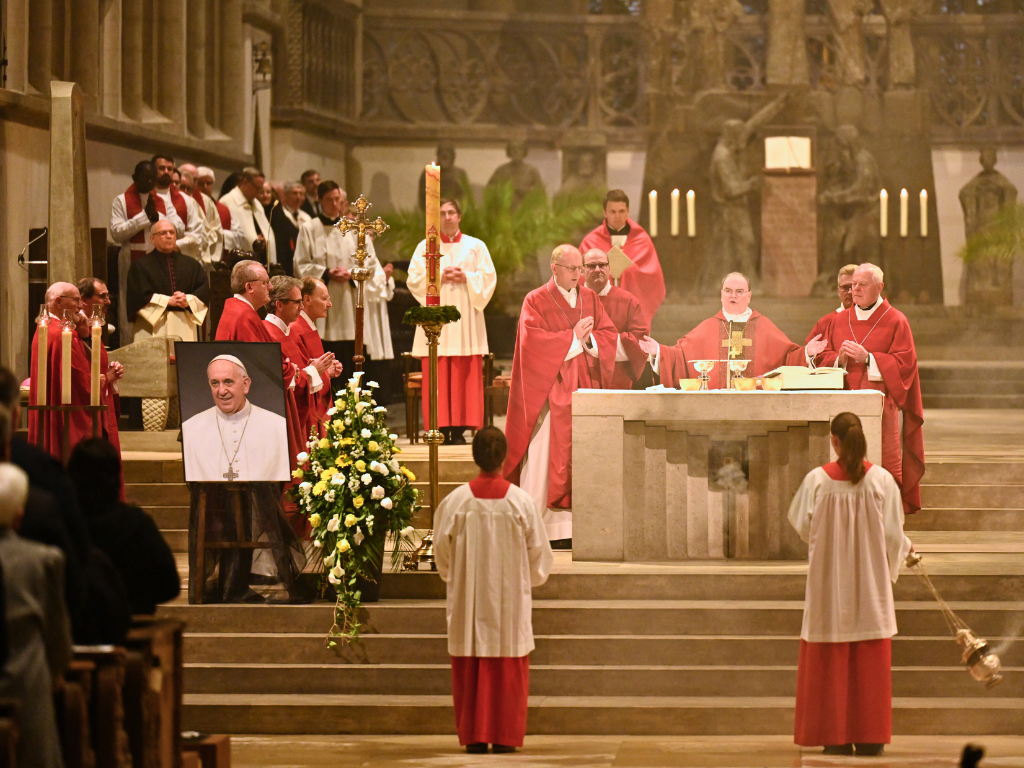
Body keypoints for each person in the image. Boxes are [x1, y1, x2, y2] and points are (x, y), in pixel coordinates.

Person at [788, 412, 913, 756]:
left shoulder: (817, 480)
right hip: (869, 584)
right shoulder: (883, 481)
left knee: (831, 660)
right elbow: (892, 535)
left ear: (834, 441)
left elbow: (800, 523)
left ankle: (836, 736)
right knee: (869, 664)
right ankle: (871, 737)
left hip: (830, 585)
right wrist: (903, 550)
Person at [435, 427, 553, 754]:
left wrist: (457, 579)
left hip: (468, 603)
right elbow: (540, 558)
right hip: (509, 603)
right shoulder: (521, 503)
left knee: (470, 668)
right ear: (503, 457)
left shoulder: (455, 502)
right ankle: (504, 736)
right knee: (507, 669)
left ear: (475, 457)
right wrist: (522, 582)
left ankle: (473, 736)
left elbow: (441, 556)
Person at [503, 245, 618, 547]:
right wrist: (572, 338)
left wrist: (589, 339)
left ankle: (580, 526)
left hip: (585, 388)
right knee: (545, 457)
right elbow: (532, 343)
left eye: (580, 269)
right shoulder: (536, 300)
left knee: (583, 454)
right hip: (549, 393)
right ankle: (545, 528)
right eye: (572, 269)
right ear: (554, 268)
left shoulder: (591, 298)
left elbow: (607, 334)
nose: (579, 275)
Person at [811, 263, 925, 514]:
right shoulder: (839, 319)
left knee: (881, 463)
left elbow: (905, 365)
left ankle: (882, 519)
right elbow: (822, 357)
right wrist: (839, 359)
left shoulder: (896, 320)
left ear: (879, 287)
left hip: (882, 408)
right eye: (853, 285)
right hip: (842, 406)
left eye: (862, 285)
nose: (855, 290)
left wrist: (869, 358)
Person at [0, 463, 73, 768]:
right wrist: (56, 671)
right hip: (25, 684)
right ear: (19, 514)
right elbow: (57, 636)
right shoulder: (42, 560)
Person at [639, 273, 827, 390]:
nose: (733, 296)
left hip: (757, 408)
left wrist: (806, 353)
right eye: (728, 291)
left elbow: (788, 358)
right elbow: (679, 356)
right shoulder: (708, 326)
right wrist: (658, 351)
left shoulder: (764, 326)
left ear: (749, 296)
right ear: (721, 295)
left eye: (739, 291)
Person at [407, 198, 496, 444]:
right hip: (437, 322)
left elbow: (488, 278)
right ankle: (439, 428)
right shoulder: (425, 247)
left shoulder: (475, 246)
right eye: (442, 213)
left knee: (464, 374)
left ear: (459, 216)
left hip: (465, 320)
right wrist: (436, 275)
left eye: (451, 212)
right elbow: (413, 280)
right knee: (439, 371)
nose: (447, 217)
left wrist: (466, 277)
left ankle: (459, 431)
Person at [293, 181, 390, 387]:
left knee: (350, 351)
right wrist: (326, 273)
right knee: (325, 347)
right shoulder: (309, 228)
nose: (335, 204)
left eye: (338, 199)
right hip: (322, 300)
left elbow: (370, 262)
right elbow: (300, 263)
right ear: (319, 201)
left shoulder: (354, 228)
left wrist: (353, 273)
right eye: (329, 199)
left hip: (348, 299)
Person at [67, 438, 180, 615]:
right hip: (131, 626)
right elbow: (169, 585)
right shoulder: (135, 523)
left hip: (74, 631)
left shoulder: (62, 522)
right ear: (116, 476)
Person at [110, 160, 187, 344]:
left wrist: (157, 217)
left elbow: (180, 228)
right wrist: (145, 217)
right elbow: (116, 233)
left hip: (157, 261)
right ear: (135, 178)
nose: (149, 181)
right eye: (145, 177)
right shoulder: (121, 200)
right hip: (131, 260)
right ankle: (129, 348)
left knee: (158, 304)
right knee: (131, 308)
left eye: (153, 178)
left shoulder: (163, 202)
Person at [264, 276, 338, 451]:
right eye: (297, 302)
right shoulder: (271, 334)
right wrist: (316, 371)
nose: (301, 307)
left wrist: (316, 369)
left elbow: (296, 373)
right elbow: (284, 380)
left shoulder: (285, 331)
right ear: (279, 305)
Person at [579, 189, 666, 326]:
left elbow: (651, 275)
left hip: (631, 312)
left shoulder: (641, 239)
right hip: (599, 314)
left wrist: (628, 271)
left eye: (621, 211)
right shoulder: (591, 241)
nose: (617, 216)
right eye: (612, 212)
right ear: (604, 213)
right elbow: (580, 275)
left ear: (628, 211)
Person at [126, 219, 210, 342]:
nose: (169, 236)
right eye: (163, 233)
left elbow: (203, 292)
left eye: (172, 232)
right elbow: (137, 297)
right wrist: (167, 301)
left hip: (184, 325)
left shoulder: (192, 264)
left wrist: (188, 301)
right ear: (152, 239)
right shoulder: (140, 265)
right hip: (151, 326)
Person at [582, 247, 649, 389]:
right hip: (578, 383)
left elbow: (640, 342)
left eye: (602, 265)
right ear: (582, 270)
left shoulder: (627, 301)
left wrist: (593, 341)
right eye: (591, 266)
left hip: (616, 383)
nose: (598, 269)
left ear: (609, 269)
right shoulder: (571, 300)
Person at [291, 277, 338, 434]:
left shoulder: (307, 325)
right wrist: (324, 372)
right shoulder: (296, 328)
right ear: (307, 299)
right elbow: (301, 376)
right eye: (324, 298)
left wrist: (327, 372)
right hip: (310, 410)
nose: (329, 304)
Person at [151, 154, 205, 259]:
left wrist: (175, 246)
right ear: (153, 170)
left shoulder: (185, 200)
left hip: (176, 257)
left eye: (169, 169)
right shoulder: (146, 197)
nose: (166, 172)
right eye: (162, 168)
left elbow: (196, 234)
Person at [221, 167, 277, 264]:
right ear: (245, 182)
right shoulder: (227, 202)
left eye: (260, 188)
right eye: (256, 187)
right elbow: (229, 236)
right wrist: (254, 240)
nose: (258, 192)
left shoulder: (257, 203)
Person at [197, 166, 247, 255]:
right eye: (201, 183)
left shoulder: (223, 209)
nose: (205, 187)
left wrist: (219, 234)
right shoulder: (190, 205)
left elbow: (239, 237)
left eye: (209, 183)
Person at [807, 264, 858, 345]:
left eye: (854, 287)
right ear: (838, 291)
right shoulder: (825, 324)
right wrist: (837, 358)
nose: (850, 292)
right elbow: (809, 354)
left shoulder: (878, 320)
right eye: (845, 287)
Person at [271, 181, 312, 275]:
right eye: (294, 193)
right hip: (286, 259)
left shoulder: (306, 217)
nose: (298, 197)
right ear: (285, 195)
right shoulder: (279, 215)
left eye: (301, 194)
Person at [418, 143, 470, 210]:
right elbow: (422, 199)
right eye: (442, 156)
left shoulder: (459, 174)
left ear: (453, 157)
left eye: (447, 157)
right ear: (438, 156)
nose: (444, 159)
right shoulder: (429, 173)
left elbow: (465, 198)